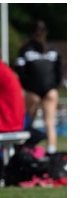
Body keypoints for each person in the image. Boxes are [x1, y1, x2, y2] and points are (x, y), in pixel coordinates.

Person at [16, 20, 62, 156]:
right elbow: (58, 71)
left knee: (29, 121)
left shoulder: (26, 49)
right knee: (49, 123)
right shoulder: (52, 49)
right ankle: (51, 150)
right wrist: (54, 85)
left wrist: (27, 87)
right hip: (47, 90)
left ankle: (26, 147)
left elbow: (20, 71)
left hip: (35, 90)